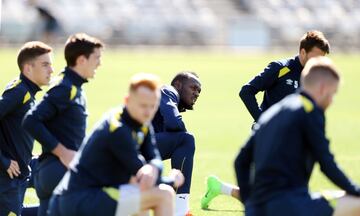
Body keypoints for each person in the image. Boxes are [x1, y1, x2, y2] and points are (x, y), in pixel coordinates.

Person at [201, 30, 331, 209]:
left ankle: (220, 188)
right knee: (266, 193)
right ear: (302, 52)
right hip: (267, 138)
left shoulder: (313, 79)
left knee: (277, 192)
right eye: (315, 58)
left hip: (294, 140)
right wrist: (263, 122)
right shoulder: (280, 68)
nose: (319, 64)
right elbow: (246, 91)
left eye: (322, 60)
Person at [235, 56, 360, 216]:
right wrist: (355, 189)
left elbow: (241, 161)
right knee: (356, 203)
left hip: (258, 209)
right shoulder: (310, 111)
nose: (331, 101)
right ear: (322, 88)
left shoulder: (272, 112)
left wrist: (250, 205)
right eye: (332, 93)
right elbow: (326, 163)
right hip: (290, 206)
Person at [47, 73, 184, 216]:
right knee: (164, 194)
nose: (148, 112)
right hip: (79, 200)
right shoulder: (118, 129)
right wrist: (173, 180)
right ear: (127, 100)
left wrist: (154, 166)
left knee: (140, 196)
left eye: (153, 106)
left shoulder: (142, 124)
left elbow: (154, 157)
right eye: (143, 105)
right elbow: (142, 177)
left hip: (92, 197)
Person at [23, 33, 103, 216]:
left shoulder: (75, 88)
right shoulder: (64, 88)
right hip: (57, 171)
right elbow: (31, 120)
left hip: (53, 174)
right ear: (82, 60)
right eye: (96, 58)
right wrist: (63, 152)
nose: (99, 63)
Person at [0, 41, 53, 216]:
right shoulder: (19, 92)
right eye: (45, 65)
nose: (51, 70)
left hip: (21, 171)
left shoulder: (27, 92)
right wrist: (4, 160)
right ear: (28, 69)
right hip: (7, 178)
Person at [152, 71, 201, 216]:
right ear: (178, 85)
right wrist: (184, 139)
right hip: (131, 145)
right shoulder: (168, 90)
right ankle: (181, 210)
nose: (197, 93)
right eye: (193, 88)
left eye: (199, 91)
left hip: (132, 148)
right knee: (186, 139)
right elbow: (174, 122)